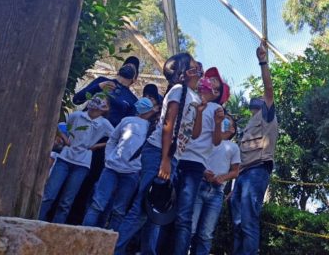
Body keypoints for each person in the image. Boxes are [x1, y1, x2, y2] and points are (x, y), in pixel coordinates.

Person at [114, 53, 202, 255]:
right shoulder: (179, 90)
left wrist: (201, 111)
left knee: (155, 211)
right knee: (142, 208)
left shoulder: (195, 98)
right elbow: (168, 125)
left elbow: (194, 134)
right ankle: (114, 249)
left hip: (172, 157)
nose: (199, 69)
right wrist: (164, 160)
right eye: (194, 66)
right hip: (158, 153)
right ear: (184, 73)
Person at [171, 67, 226, 254]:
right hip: (176, 156)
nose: (209, 83)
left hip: (195, 163)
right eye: (208, 79)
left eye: (214, 84)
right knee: (166, 206)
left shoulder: (216, 109)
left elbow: (217, 141)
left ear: (217, 93)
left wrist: (218, 123)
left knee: (184, 216)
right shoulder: (189, 98)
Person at [82, 97, 157, 230]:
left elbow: (112, 140)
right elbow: (113, 140)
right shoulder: (136, 124)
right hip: (121, 170)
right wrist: (109, 158)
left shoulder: (140, 125)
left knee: (101, 205)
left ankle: (87, 236)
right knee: (114, 209)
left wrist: (109, 158)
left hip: (123, 170)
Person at [231, 42, 277, 255]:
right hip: (242, 174)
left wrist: (263, 62)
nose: (253, 107)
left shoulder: (267, 116)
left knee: (248, 221)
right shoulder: (249, 123)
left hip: (257, 170)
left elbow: (269, 90)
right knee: (238, 223)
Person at [38, 95, 113, 224]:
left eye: (101, 101)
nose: (97, 102)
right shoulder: (77, 116)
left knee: (66, 202)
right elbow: (61, 124)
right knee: (49, 196)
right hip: (64, 159)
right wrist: (65, 138)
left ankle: (57, 229)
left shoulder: (104, 124)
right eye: (96, 98)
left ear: (105, 108)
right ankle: (37, 221)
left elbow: (115, 137)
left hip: (82, 164)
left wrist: (97, 146)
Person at [191, 113, 239, 255]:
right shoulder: (208, 140)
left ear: (233, 130)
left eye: (228, 120)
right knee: (190, 228)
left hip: (217, 192)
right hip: (200, 185)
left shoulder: (233, 147)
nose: (224, 120)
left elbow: (236, 171)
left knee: (206, 234)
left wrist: (223, 177)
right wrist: (203, 171)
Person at [73, 56, 140, 127]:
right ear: (118, 71)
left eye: (133, 67)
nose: (130, 66)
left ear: (135, 79)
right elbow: (76, 100)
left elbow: (126, 126)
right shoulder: (101, 80)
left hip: (107, 136)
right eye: (127, 64)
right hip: (83, 126)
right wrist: (98, 87)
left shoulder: (133, 100)